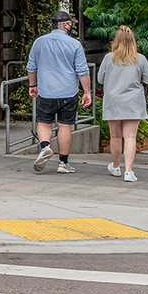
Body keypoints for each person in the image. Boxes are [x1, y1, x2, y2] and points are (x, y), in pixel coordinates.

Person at [28, 9, 93, 175]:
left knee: (43, 123)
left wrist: (32, 85)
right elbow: (82, 71)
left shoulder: (39, 42)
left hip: (46, 92)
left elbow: (31, 67)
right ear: (66, 25)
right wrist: (87, 92)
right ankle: (63, 163)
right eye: (70, 24)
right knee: (64, 126)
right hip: (68, 93)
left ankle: (45, 147)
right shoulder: (74, 44)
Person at [96, 26, 148, 184]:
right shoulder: (140, 59)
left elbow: (100, 79)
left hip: (113, 101)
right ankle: (128, 171)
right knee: (130, 137)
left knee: (115, 137)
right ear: (133, 41)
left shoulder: (109, 58)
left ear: (115, 41)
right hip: (133, 102)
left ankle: (116, 166)